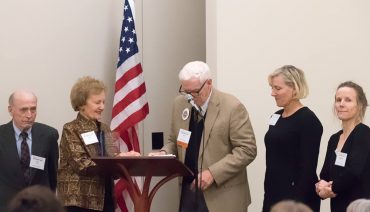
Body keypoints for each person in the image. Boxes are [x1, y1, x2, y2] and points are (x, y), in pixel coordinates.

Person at [149, 61, 257, 212]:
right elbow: (174, 141)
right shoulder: (180, 103)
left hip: (222, 196)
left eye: (195, 92)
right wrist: (164, 153)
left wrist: (213, 173)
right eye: (185, 91)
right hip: (188, 190)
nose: (190, 97)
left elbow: (247, 150)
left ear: (209, 83)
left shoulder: (232, 107)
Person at [57, 76, 140, 212]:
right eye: (97, 102)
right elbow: (82, 165)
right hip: (79, 201)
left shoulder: (105, 129)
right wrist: (117, 159)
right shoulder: (71, 129)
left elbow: (112, 165)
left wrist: (125, 159)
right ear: (82, 104)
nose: (102, 107)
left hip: (105, 198)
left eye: (103, 102)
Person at [263, 65, 323, 212]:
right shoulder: (276, 116)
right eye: (272, 88)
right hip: (272, 192)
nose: (272, 93)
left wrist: (296, 205)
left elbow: (307, 169)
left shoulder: (308, 120)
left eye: (277, 88)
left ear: (294, 89)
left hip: (296, 198)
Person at [0, 90, 59, 211]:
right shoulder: (1, 135)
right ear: (10, 110)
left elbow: (53, 174)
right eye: (23, 109)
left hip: (41, 206)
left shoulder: (49, 135)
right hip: (7, 205)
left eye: (33, 109)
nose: (29, 115)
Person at [316, 81, 370, 212]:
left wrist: (331, 189)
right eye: (338, 99)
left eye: (348, 100)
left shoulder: (363, 133)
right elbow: (325, 173)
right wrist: (320, 186)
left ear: (360, 105)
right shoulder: (334, 138)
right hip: (337, 206)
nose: (341, 104)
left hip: (359, 206)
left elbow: (353, 172)